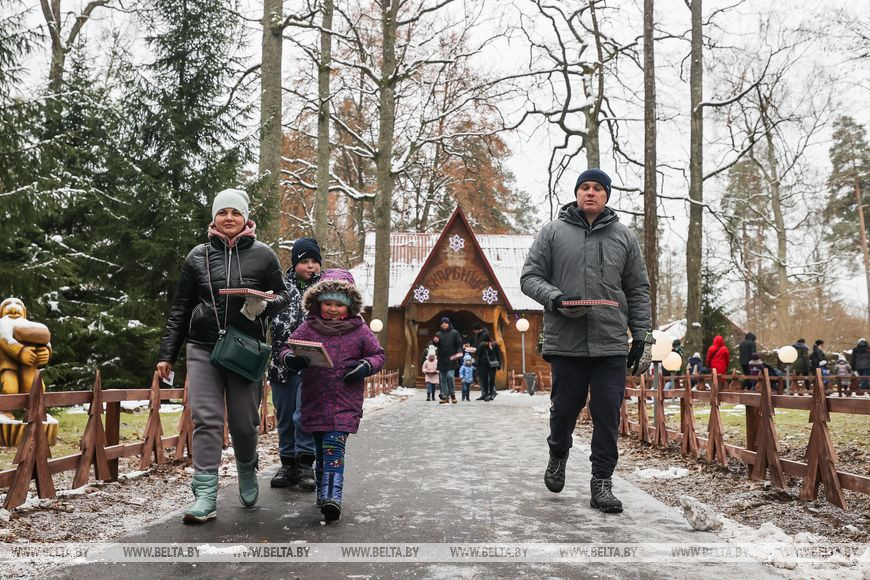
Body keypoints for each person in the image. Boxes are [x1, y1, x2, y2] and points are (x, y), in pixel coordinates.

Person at [156, 188, 292, 524]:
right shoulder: (197, 256)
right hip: (202, 346)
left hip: (245, 348)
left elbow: (285, 295)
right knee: (207, 419)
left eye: (235, 212)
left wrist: (264, 304)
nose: (228, 218)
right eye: (222, 212)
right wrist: (167, 355)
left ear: (246, 218)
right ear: (214, 218)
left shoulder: (264, 255)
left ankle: (246, 467)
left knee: (244, 423)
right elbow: (180, 308)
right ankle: (205, 494)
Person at [520, 167, 652, 514]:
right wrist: (556, 298)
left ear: (606, 195)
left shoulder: (624, 236)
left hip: (611, 341)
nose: (590, 192)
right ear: (577, 194)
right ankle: (558, 452)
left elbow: (637, 289)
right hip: (567, 340)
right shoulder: (552, 232)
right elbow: (529, 277)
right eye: (584, 187)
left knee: (607, 413)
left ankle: (602, 483)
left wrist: (642, 336)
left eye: (597, 188)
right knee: (565, 409)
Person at [279, 269, 385, 521]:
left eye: (339, 304)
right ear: (318, 303)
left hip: (345, 401)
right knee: (320, 448)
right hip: (314, 399)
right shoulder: (308, 327)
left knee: (333, 447)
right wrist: (291, 359)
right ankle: (322, 494)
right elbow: (286, 348)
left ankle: (332, 497)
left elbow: (378, 355)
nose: (333, 309)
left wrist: (365, 366)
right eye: (328, 303)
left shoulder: (360, 331)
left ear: (350, 306)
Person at [268, 237, 322, 490]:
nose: (310, 266)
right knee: (286, 416)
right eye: (304, 261)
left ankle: (305, 465)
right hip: (282, 363)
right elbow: (266, 318)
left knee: (305, 415)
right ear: (294, 263)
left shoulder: (325, 290)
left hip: (313, 366)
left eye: (314, 261)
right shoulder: (280, 288)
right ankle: (287, 463)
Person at [435, 316, 463, 404]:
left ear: (449, 324)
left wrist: (459, 352)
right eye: (442, 323)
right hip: (441, 359)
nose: (444, 324)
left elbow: (459, 344)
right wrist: (435, 342)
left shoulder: (455, 333)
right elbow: (435, 345)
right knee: (443, 378)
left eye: (445, 323)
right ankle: (445, 396)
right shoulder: (438, 334)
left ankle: (452, 394)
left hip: (451, 359)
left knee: (450, 376)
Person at [477, 336, 502, 401]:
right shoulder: (481, 346)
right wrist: (478, 364)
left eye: (486, 342)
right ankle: (486, 394)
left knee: (491, 379)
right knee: (485, 380)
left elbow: (498, 355)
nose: (484, 343)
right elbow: (478, 355)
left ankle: (491, 393)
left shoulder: (495, 345)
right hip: (484, 365)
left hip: (493, 365)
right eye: (484, 342)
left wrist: (499, 364)